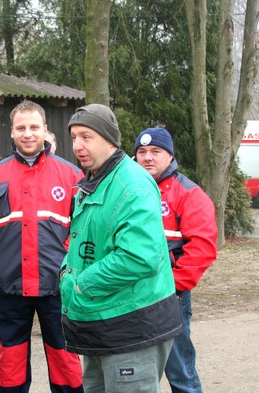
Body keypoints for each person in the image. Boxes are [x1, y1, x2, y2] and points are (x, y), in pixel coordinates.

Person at [61, 104, 182, 393]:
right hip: (100, 324)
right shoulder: (95, 181)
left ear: (109, 139)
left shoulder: (132, 185)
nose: (77, 145)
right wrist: (67, 271)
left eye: (86, 137)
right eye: (74, 137)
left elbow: (138, 258)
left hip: (130, 327)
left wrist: (79, 285)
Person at [0, 99, 85, 393]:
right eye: (21, 128)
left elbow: (83, 225)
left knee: (66, 361)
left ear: (46, 130)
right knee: (11, 364)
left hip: (57, 287)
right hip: (11, 287)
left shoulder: (71, 175)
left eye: (34, 127)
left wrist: (68, 261)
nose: (28, 134)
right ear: (11, 132)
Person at [134, 127, 218, 393]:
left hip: (170, 297)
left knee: (179, 370)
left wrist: (173, 285)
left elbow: (202, 247)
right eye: (142, 152)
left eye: (156, 152)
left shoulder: (188, 193)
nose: (148, 157)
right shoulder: (128, 190)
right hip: (129, 296)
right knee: (136, 372)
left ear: (170, 156)